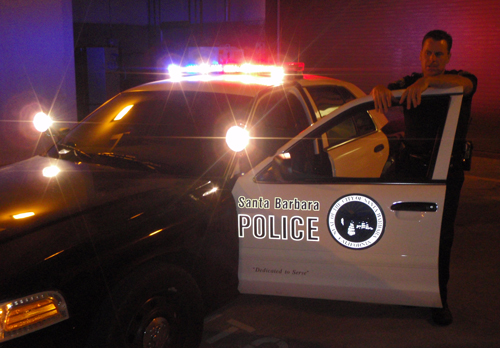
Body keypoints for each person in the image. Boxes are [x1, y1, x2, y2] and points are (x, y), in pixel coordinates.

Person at [370, 29, 478, 326]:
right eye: (427, 53)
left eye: (438, 54)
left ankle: (438, 300)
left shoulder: (457, 80)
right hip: (411, 170)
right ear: (420, 54)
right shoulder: (409, 85)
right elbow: (384, 92)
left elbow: (466, 85)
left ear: (448, 57)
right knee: (405, 236)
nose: (432, 59)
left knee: (441, 239)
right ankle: (407, 292)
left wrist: (429, 82)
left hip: (446, 174)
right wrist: (380, 88)